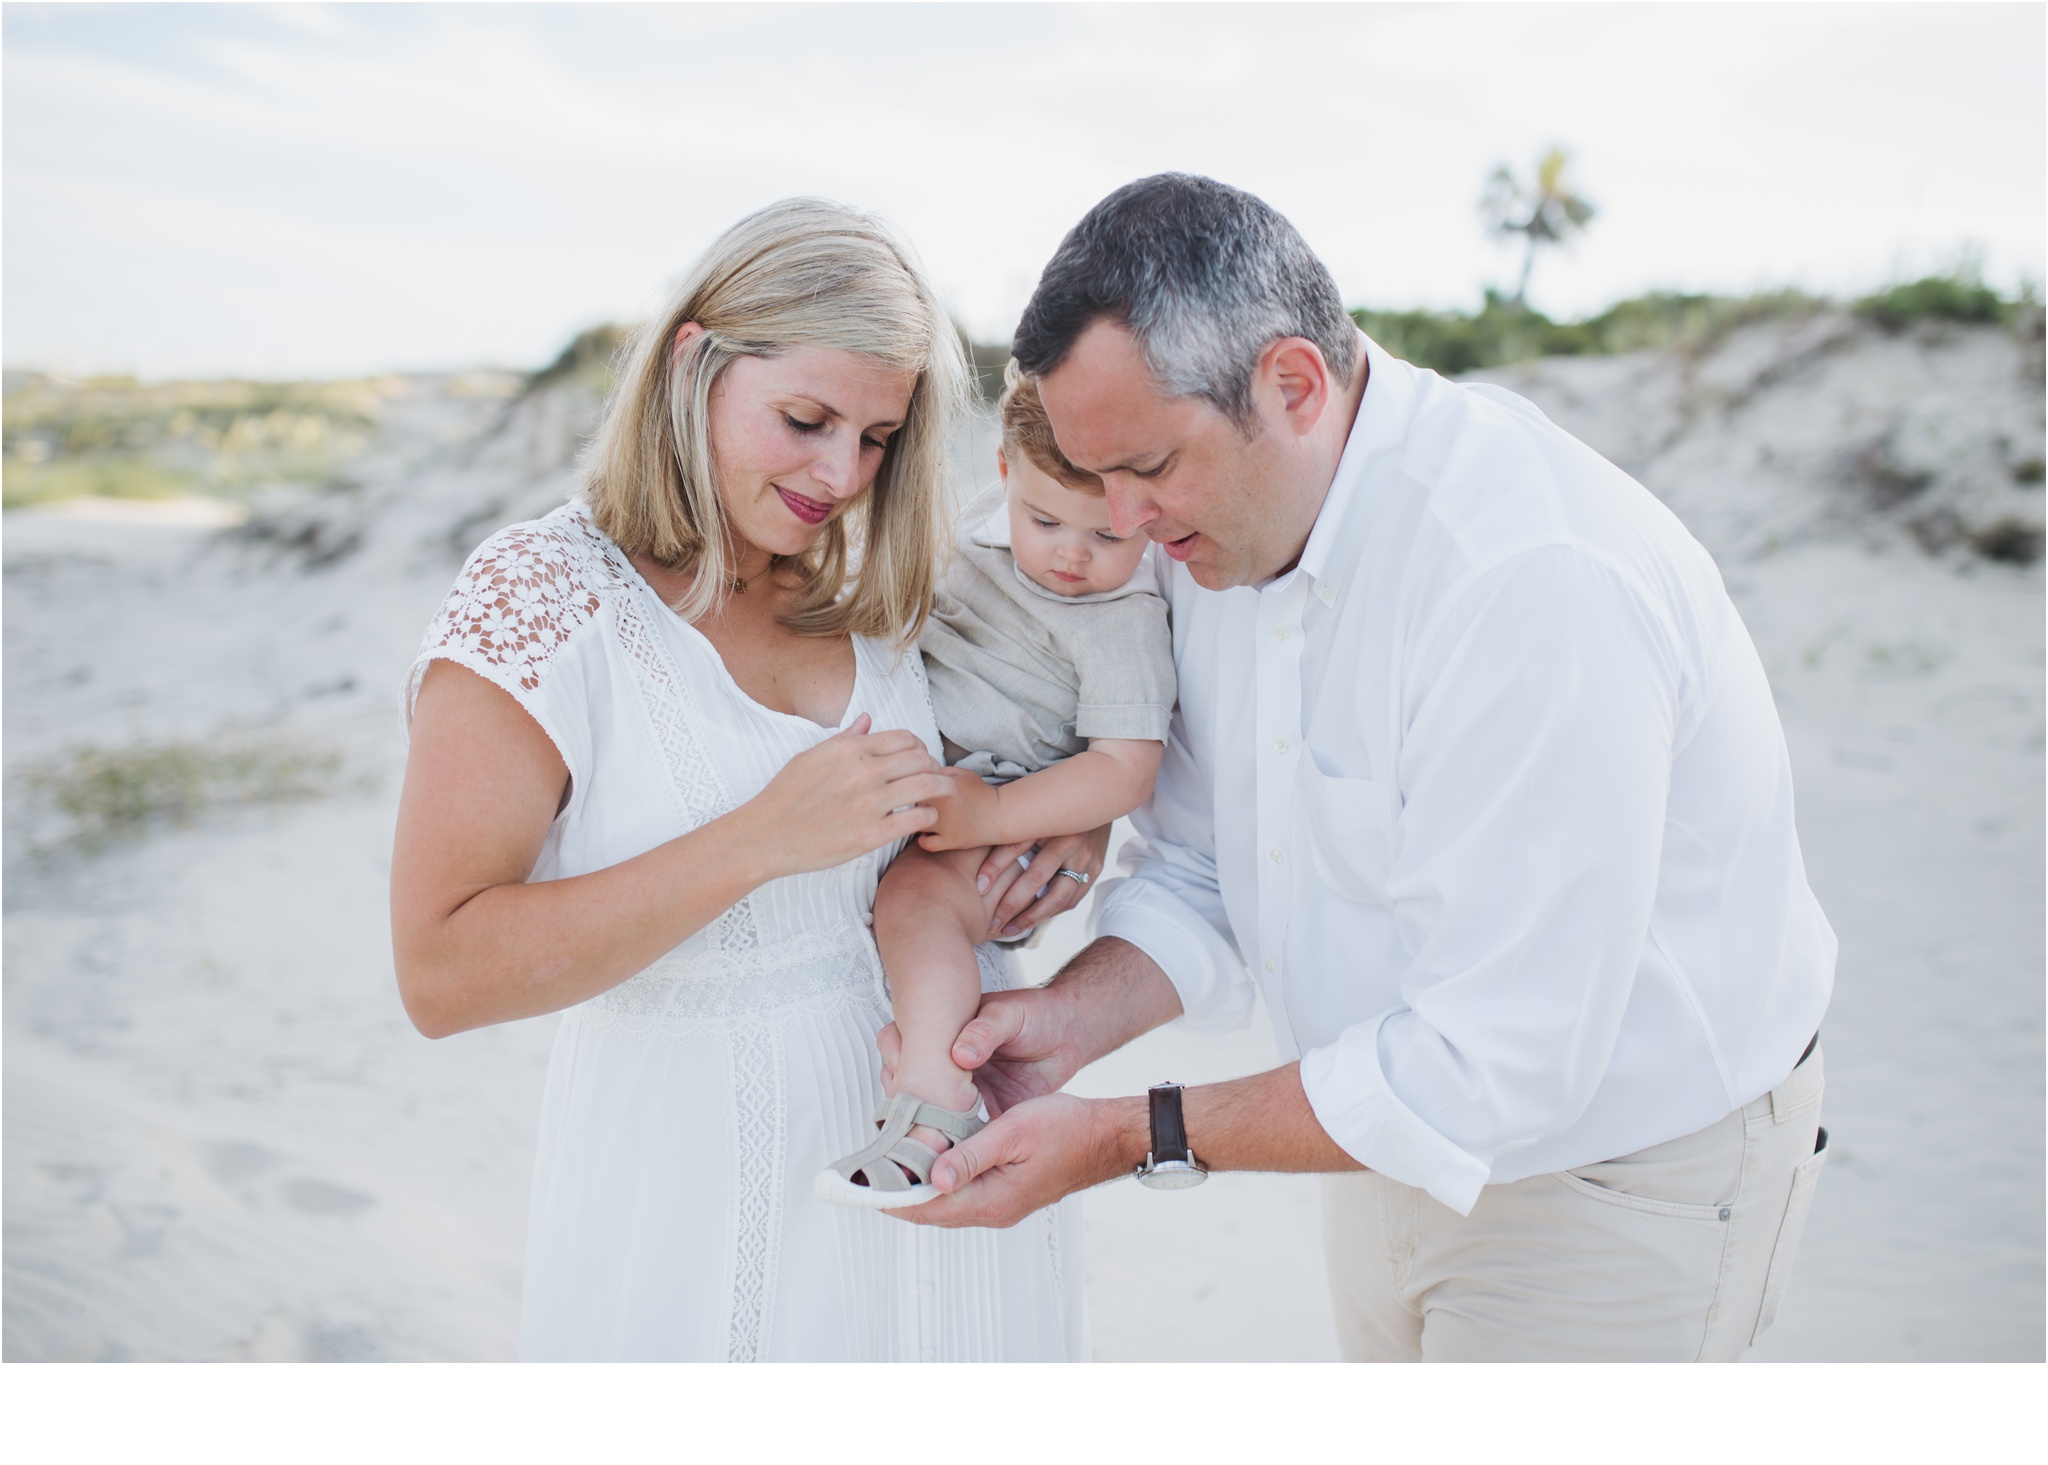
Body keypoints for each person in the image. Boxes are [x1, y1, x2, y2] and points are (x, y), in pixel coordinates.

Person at [889, 174, 1837, 1363]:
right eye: (1093, 477)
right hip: (1365, 1130)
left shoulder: (1525, 580)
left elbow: (1496, 1058)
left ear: (1291, 384)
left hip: (1619, 1180)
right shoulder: (1207, 530)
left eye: (1147, 468)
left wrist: (1127, 1133)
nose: (1121, 523)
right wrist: (1066, 1022)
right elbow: (1199, 861)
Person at [389, 198, 1095, 1361]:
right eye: (806, 419)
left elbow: (1050, 734)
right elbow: (439, 973)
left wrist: (1072, 836)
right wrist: (759, 838)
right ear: (692, 362)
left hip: (945, 1158)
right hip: (701, 1182)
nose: (840, 473)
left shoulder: (877, 589)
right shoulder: (546, 594)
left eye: (874, 438)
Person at [817, 365, 1174, 1207]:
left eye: (1110, 536)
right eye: (1045, 519)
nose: (1072, 555)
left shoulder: (1119, 620)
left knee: (916, 904)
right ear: (1006, 470)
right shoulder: (977, 525)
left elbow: (1128, 766)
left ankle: (938, 1102)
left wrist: (997, 811)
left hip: (1001, 801)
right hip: (927, 768)